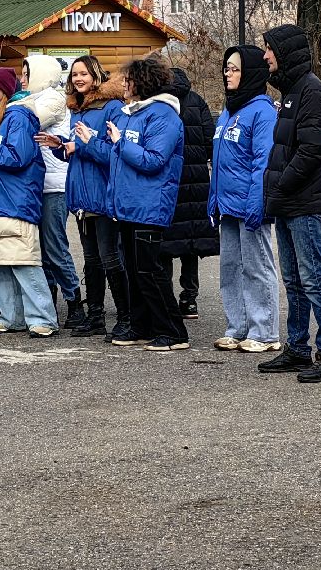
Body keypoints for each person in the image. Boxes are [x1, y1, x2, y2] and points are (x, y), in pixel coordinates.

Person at [253, 25, 321, 382]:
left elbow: (313, 151)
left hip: (302, 203)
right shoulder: (292, 90)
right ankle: (297, 349)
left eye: (269, 48)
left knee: (313, 279)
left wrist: (280, 186)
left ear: (285, 52)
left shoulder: (312, 90)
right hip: (287, 202)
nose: (265, 55)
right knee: (293, 280)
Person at [102, 55, 187, 351]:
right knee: (135, 273)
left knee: (150, 273)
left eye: (128, 80)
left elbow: (154, 160)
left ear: (143, 83)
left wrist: (121, 143)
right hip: (128, 206)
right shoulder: (130, 113)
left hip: (149, 205)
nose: (124, 85)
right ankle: (140, 327)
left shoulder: (163, 115)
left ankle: (173, 332)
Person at [42, 54, 127, 338]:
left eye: (84, 74)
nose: (78, 79)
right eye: (74, 74)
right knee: (91, 260)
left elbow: (115, 153)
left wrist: (83, 146)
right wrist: (61, 146)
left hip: (103, 195)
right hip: (81, 196)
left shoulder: (112, 107)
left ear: (96, 76)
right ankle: (95, 317)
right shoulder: (77, 110)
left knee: (110, 258)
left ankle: (125, 318)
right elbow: (78, 153)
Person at [0, 67, 58, 336]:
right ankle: (11, 317)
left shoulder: (18, 116)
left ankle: (43, 319)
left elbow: (16, 157)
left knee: (23, 262)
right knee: (0, 264)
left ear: (6, 90)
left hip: (15, 202)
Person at [208, 45, 281, 353]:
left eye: (235, 69)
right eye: (226, 68)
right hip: (227, 206)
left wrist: (257, 202)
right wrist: (213, 198)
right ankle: (237, 327)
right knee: (230, 269)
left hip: (250, 205)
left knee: (257, 268)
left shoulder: (262, 112)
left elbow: (262, 162)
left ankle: (264, 332)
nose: (228, 74)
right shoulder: (228, 111)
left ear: (250, 73)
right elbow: (219, 160)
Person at [18, 54, 84, 328]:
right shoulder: (31, 98)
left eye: (26, 74)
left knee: (55, 246)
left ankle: (75, 302)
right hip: (37, 185)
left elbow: (27, 123)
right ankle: (49, 304)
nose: (22, 80)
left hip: (55, 185)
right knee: (41, 249)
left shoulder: (53, 99)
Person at [160, 66, 217, 320]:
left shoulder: (159, 102)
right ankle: (189, 298)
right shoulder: (197, 100)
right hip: (196, 179)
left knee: (164, 241)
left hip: (168, 178)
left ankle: (166, 299)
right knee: (190, 242)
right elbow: (209, 139)